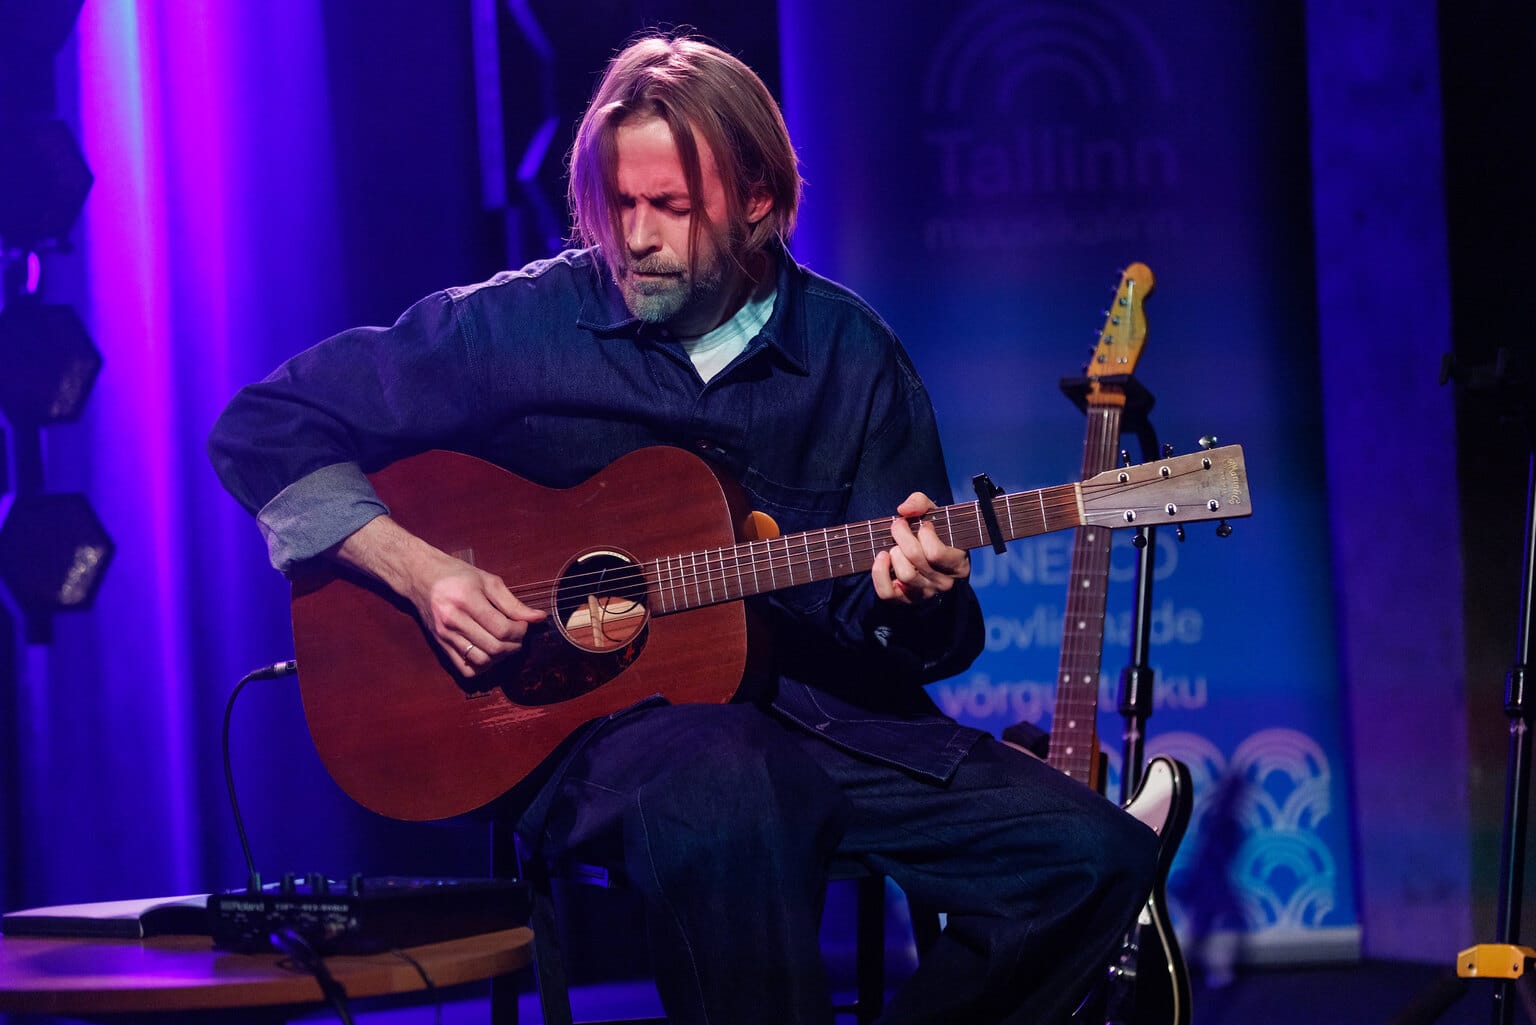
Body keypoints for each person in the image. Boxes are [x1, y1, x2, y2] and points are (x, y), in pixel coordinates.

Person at [209, 33, 1157, 1025]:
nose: (636, 236)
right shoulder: (519, 326)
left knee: (1096, 856)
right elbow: (265, 425)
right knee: (731, 785)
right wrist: (417, 569)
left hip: (822, 723)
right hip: (595, 731)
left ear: (757, 200)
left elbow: (928, 640)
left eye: (670, 206)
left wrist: (914, 594)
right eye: (619, 203)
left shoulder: (851, 357)